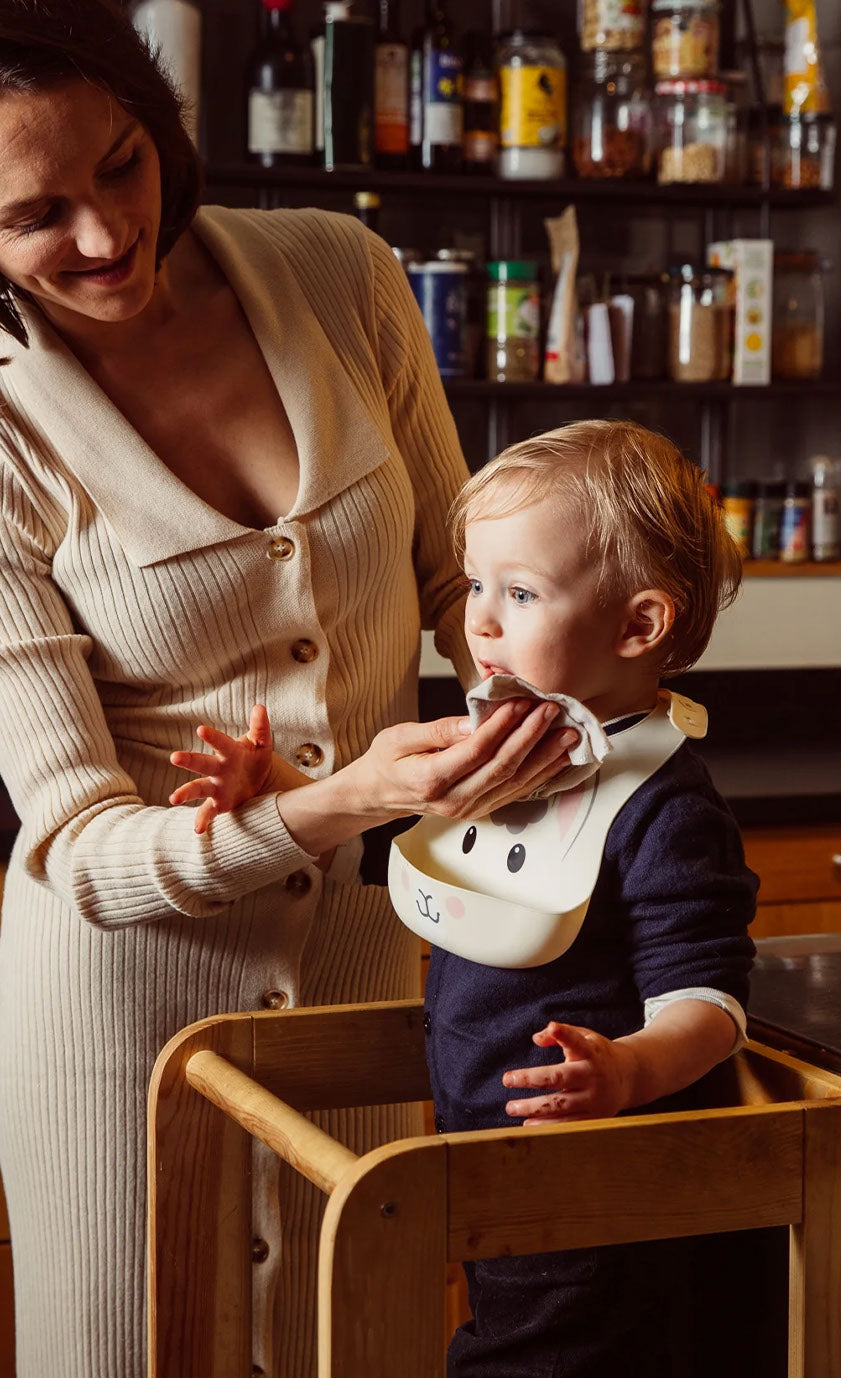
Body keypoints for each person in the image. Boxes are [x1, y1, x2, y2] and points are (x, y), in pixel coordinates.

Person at [0, 4, 576, 1377]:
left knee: (354, 1345)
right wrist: (340, 801)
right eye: (33, 215)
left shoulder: (339, 272)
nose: (101, 234)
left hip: (364, 980)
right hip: (125, 1027)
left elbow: (462, 576)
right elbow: (75, 844)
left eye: (123, 166)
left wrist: (540, 686)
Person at [175, 418, 759, 1376]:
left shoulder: (668, 809)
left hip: (587, 1176)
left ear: (639, 626)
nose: (478, 618)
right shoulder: (504, 751)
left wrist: (627, 1072)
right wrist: (279, 785)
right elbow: (392, 852)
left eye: (519, 592)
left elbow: (711, 1001)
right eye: (476, 582)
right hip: (485, 1154)